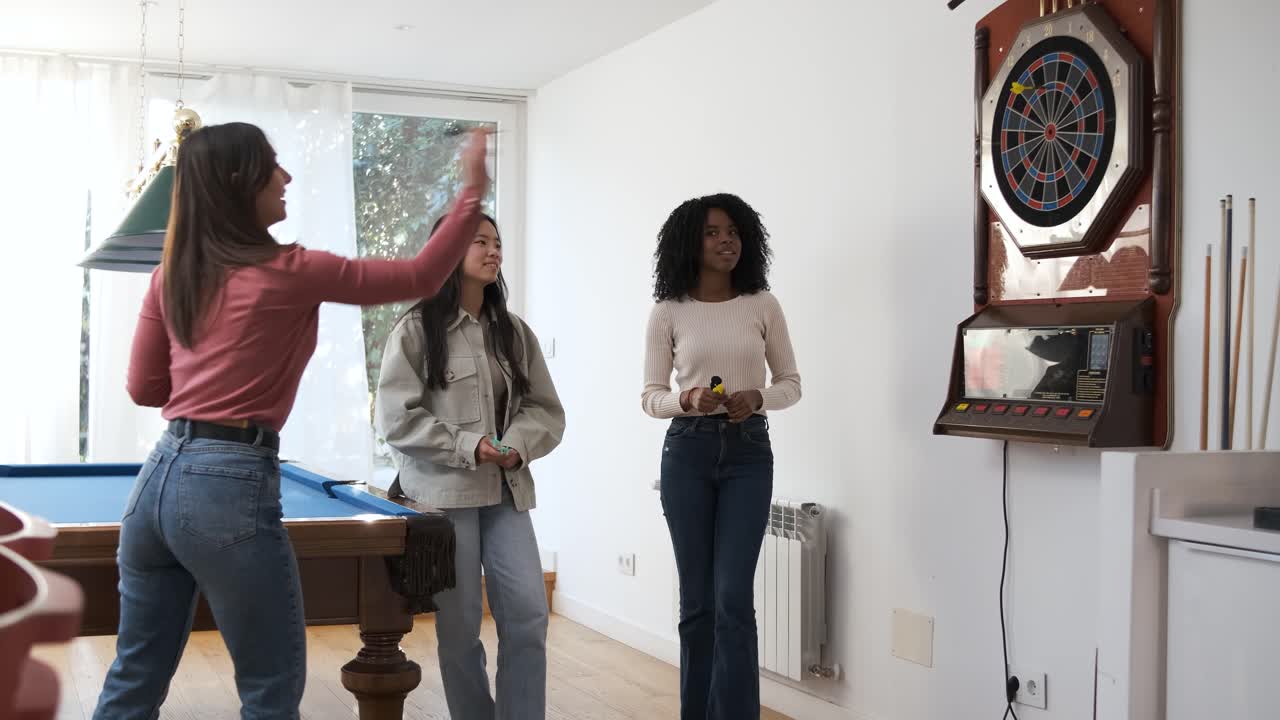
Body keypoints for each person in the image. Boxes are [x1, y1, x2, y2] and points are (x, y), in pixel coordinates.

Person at [93, 121, 491, 720]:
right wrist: (469, 195)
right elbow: (420, 277)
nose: (287, 177)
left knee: (135, 675)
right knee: (270, 687)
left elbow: (145, 389)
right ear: (237, 182)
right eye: (271, 166)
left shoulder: (169, 274)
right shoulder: (290, 270)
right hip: (228, 480)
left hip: (156, 483)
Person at [375, 212, 564, 720]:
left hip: (505, 493)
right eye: (479, 241)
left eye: (497, 242)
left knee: (527, 616)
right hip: (443, 500)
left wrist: (514, 445)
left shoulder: (514, 333)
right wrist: (469, 445)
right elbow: (395, 418)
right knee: (458, 628)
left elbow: (545, 410)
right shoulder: (415, 329)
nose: (493, 250)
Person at [641, 193, 802, 719]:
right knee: (698, 604)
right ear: (691, 241)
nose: (726, 239)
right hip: (686, 452)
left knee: (733, 599)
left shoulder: (762, 305)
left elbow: (791, 384)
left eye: (733, 231)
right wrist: (685, 400)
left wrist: (758, 397)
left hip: (749, 453)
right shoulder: (668, 312)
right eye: (712, 232)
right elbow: (649, 397)